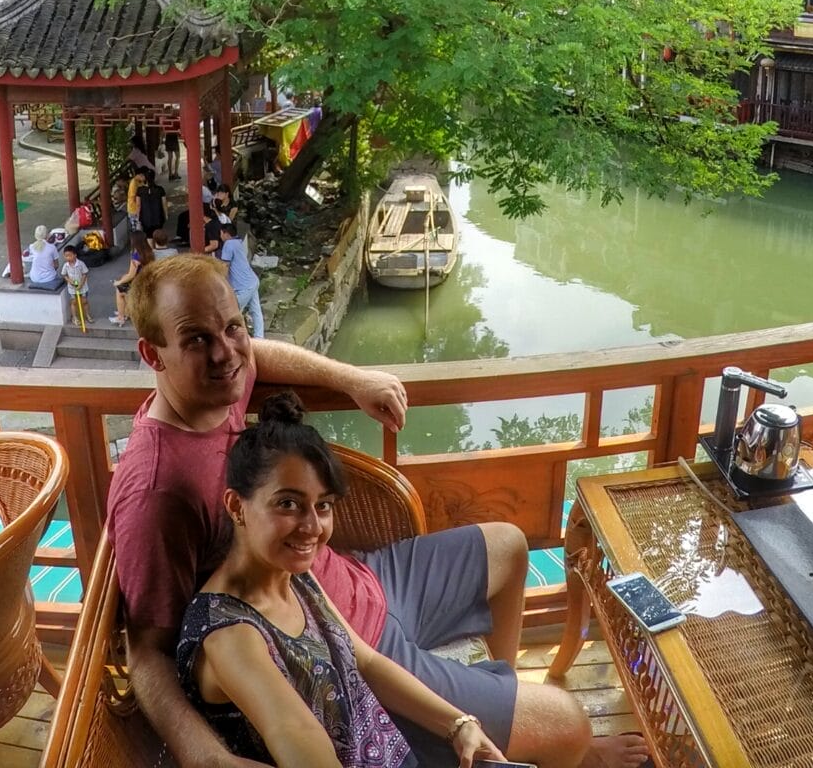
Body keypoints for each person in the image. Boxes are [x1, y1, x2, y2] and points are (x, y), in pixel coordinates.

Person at [109, 255, 633, 768]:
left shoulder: (217, 382)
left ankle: (501, 705)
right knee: (569, 725)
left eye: (232, 327)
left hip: (351, 584)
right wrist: (206, 758)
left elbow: (255, 355)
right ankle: (548, 741)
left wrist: (351, 379)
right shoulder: (156, 491)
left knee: (509, 546)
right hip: (327, 658)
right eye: (197, 339)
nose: (226, 353)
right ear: (153, 355)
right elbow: (147, 653)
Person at [179, 391, 505, 768]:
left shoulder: (292, 574)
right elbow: (294, 731)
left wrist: (458, 724)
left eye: (323, 505)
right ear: (237, 506)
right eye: (288, 504)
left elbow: (364, 661)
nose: (312, 527)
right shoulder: (230, 635)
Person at [216, 217, 264, 338]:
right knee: (255, 311)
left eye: (221, 233)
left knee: (233, 312)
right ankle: (259, 338)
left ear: (225, 233)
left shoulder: (228, 244)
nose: (220, 236)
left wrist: (222, 285)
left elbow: (225, 266)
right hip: (252, 281)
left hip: (243, 286)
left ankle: (238, 339)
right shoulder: (238, 242)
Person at [111, 235, 153, 327]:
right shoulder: (149, 253)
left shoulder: (136, 256)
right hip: (147, 281)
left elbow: (131, 275)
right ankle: (125, 312)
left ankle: (121, 317)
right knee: (123, 282)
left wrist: (119, 282)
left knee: (120, 291)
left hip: (138, 283)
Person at [62, 243, 90, 330]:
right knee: (73, 302)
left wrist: (81, 284)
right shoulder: (65, 266)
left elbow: (85, 274)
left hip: (83, 286)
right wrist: (70, 282)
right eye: (66, 256)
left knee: (84, 301)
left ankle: (87, 315)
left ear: (75, 255)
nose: (68, 258)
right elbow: (64, 275)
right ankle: (75, 317)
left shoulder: (81, 264)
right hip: (72, 288)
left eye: (70, 255)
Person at [25, 225, 61, 291]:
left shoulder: (31, 247)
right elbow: (56, 265)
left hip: (34, 277)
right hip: (49, 278)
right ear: (47, 235)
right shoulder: (52, 247)